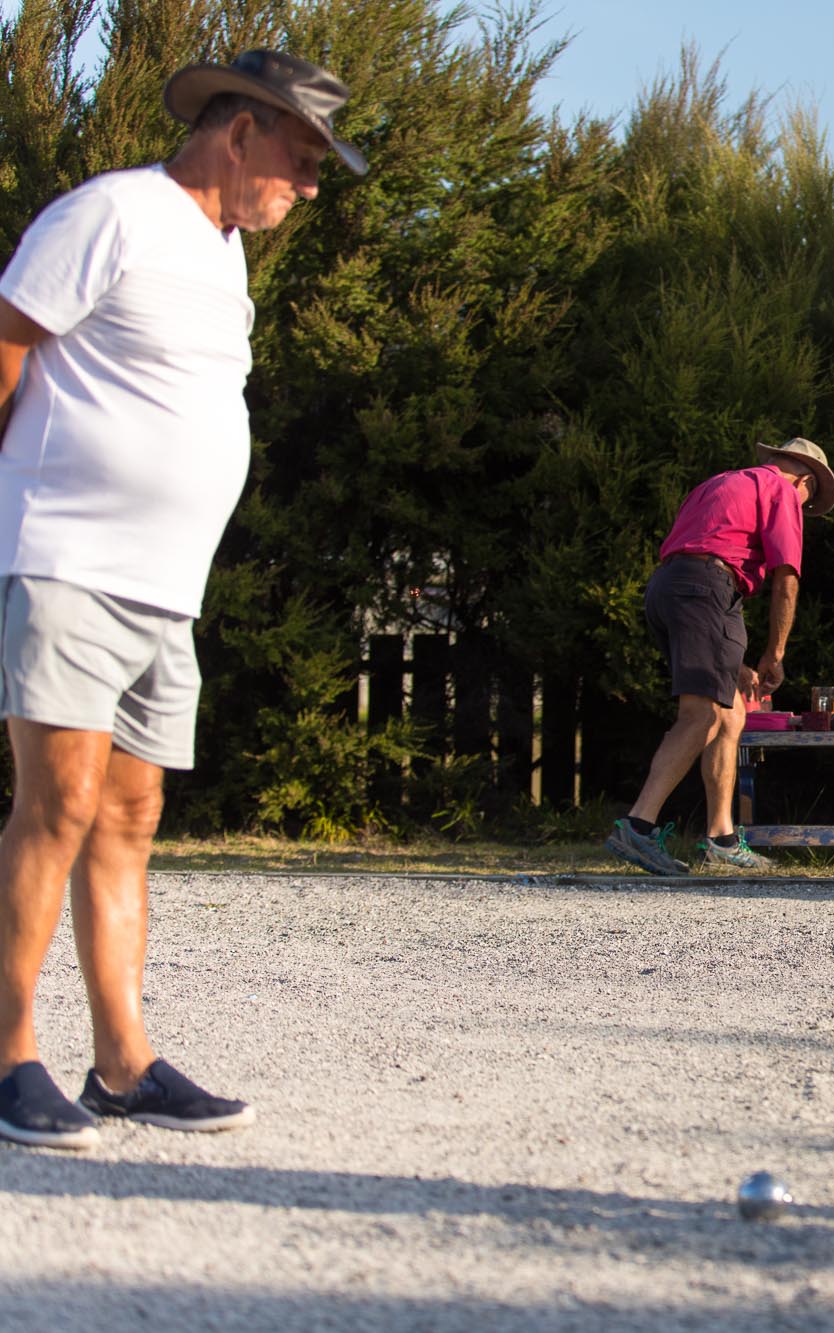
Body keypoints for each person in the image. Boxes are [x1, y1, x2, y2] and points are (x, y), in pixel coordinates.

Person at [0, 51, 368, 1150]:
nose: (307, 189)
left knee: (128, 814)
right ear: (240, 129)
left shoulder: (225, 257)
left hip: (165, 588)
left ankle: (122, 1064)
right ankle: (11, 1055)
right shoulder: (112, 213)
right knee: (55, 803)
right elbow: (8, 343)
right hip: (67, 553)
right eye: (302, 163)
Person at [605, 438, 834, 876]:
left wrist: (740, 663)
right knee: (702, 715)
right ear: (804, 479)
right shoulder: (782, 491)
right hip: (708, 588)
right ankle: (637, 826)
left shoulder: (721, 483)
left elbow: (698, 551)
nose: (802, 509)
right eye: (808, 501)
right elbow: (787, 578)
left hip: (672, 587)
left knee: (730, 715)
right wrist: (775, 653)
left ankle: (723, 839)